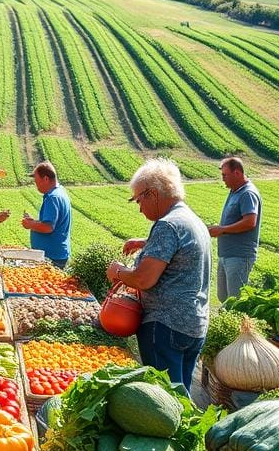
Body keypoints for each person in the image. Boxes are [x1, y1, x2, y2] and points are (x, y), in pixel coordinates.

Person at [106, 158, 211, 394]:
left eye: (138, 199)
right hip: (193, 324)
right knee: (182, 394)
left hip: (166, 325)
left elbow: (144, 279)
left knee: (166, 400)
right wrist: (146, 243)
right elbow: (182, 251)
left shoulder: (167, 225)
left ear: (152, 193)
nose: (139, 207)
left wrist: (118, 272)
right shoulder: (191, 219)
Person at [208, 157, 261, 301]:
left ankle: (241, 324)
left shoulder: (247, 193)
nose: (223, 179)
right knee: (223, 297)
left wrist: (223, 229)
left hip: (239, 256)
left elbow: (250, 222)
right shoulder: (235, 191)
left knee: (235, 300)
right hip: (227, 254)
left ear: (237, 173)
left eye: (225, 175)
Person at [22, 160, 72, 268]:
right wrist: (34, 222)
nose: (36, 185)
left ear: (45, 179)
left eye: (36, 181)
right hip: (57, 254)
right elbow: (50, 222)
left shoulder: (52, 198)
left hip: (52, 256)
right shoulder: (60, 192)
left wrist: (29, 225)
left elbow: (48, 227)